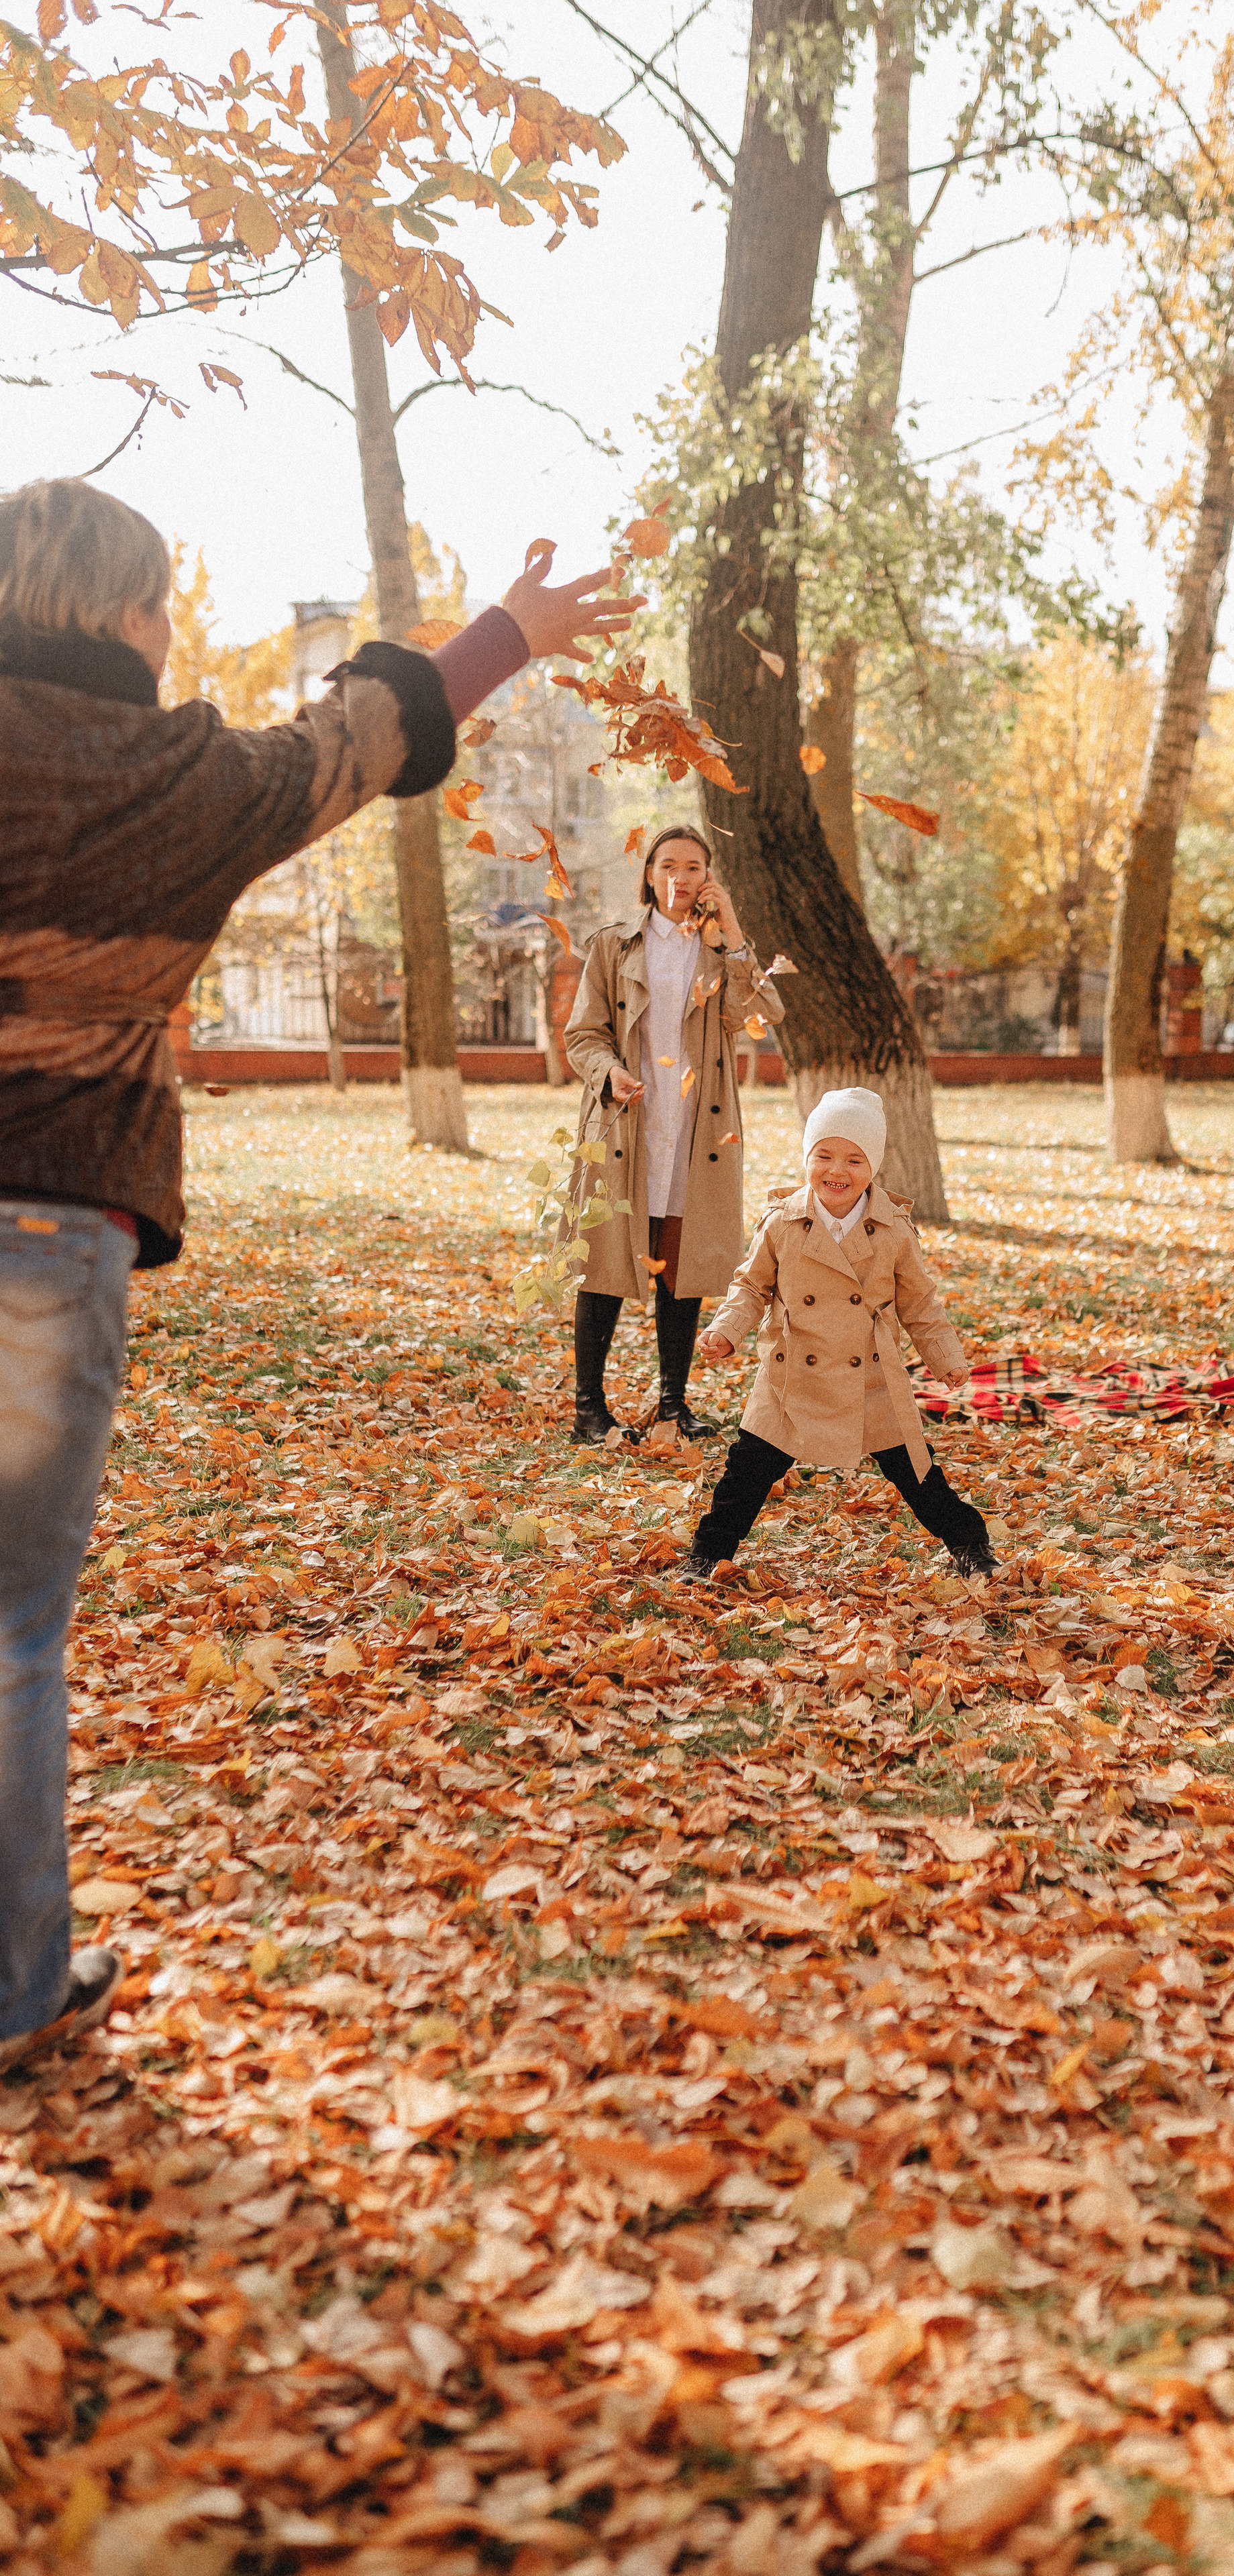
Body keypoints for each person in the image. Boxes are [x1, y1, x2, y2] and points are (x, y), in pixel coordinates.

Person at [0, 475, 641, 2076]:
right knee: (11, 1629)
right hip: (53, 1231)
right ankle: (11, 1990)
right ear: (130, 617)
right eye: (159, 606)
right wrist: (508, 627)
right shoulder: (184, 779)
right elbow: (363, 734)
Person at [688, 1086, 996, 1577]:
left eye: (855, 1160)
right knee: (747, 1470)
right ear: (806, 1158)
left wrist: (946, 1359)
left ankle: (969, 1542)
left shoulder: (893, 1230)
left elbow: (920, 1303)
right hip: (793, 1372)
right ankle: (708, 1552)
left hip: (868, 1375)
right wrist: (726, 1331)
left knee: (915, 1472)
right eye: (824, 1155)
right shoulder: (781, 1222)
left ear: (873, 1167)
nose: (837, 1171)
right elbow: (750, 1286)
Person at [562, 826, 784, 1442]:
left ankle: (671, 1406)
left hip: (697, 1126)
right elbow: (583, 1035)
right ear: (650, 874)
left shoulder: (720, 952)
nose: (680, 877)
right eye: (668, 865)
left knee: (680, 1266)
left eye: (694, 867)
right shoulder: (612, 946)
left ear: (708, 879)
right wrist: (610, 1073)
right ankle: (589, 1411)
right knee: (606, 1261)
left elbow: (760, 1015)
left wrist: (734, 930)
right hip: (624, 1122)